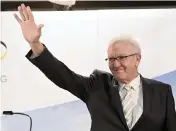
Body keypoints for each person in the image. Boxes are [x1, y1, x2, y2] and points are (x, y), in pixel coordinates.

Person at [14, 3, 176, 131]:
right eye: (111, 59)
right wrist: (35, 44)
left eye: (121, 58)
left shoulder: (162, 91)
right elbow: (63, 75)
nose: (115, 64)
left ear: (137, 59)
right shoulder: (97, 84)